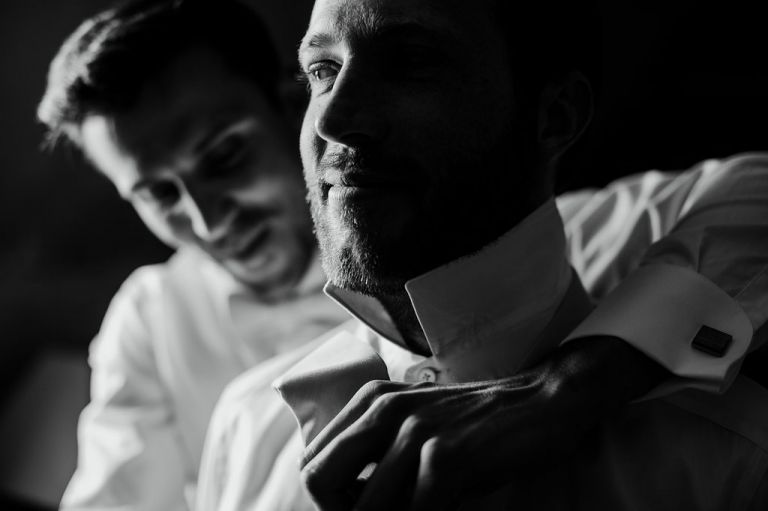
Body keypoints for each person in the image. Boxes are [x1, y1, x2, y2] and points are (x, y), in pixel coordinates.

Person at [196, 0, 768, 509]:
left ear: (555, 116)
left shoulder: (733, 462)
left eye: (411, 60)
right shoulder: (246, 424)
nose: (333, 119)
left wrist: (565, 390)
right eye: (323, 70)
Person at [36, 1, 352, 509]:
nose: (209, 221)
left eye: (225, 156)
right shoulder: (151, 316)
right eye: (159, 194)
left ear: (295, 108)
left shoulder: (418, 253)